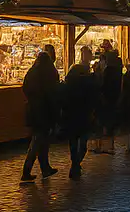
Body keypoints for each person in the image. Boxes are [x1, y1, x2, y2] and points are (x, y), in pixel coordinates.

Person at [21, 50, 60, 182]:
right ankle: (27, 170)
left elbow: (25, 88)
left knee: (41, 140)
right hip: (44, 111)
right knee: (39, 140)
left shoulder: (32, 72)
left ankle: (45, 168)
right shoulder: (49, 73)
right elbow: (52, 94)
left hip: (33, 110)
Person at [62, 46, 98, 178]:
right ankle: (76, 165)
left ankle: (75, 164)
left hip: (71, 117)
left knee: (73, 142)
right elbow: (93, 100)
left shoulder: (68, 85)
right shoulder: (89, 84)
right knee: (83, 143)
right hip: (84, 117)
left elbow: (64, 100)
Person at [98, 47, 122, 152]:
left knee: (107, 115)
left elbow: (104, 84)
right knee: (111, 115)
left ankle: (106, 139)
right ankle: (110, 136)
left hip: (107, 96)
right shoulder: (118, 69)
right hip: (115, 96)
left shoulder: (108, 71)